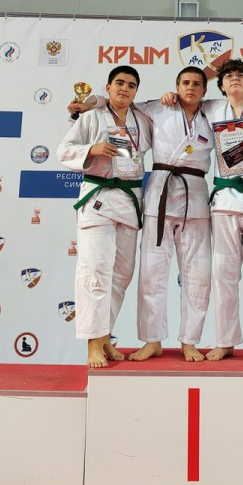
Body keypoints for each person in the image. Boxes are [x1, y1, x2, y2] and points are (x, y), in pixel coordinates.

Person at [72, 66, 213, 362]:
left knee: (197, 275)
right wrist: (90, 103)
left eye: (196, 84)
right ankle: (152, 340)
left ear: (204, 90)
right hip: (158, 196)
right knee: (151, 275)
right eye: (185, 83)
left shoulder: (213, 112)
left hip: (194, 197)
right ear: (176, 86)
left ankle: (189, 340)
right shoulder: (158, 108)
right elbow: (116, 103)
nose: (190, 88)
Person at [165, 58, 243, 365]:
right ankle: (225, 340)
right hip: (224, 201)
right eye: (229, 76)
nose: (235, 79)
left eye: (241, 75)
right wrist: (169, 96)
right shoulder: (212, 109)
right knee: (223, 273)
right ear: (221, 86)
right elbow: (188, 101)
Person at [57, 65, 152, 368]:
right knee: (95, 272)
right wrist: (93, 148)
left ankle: (104, 336)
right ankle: (92, 345)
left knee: (121, 276)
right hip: (98, 198)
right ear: (108, 87)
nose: (125, 89)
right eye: (119, 83)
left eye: (131, 85)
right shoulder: (91, 117)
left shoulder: (142, 119)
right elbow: (64, 150)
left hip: (129, 200)